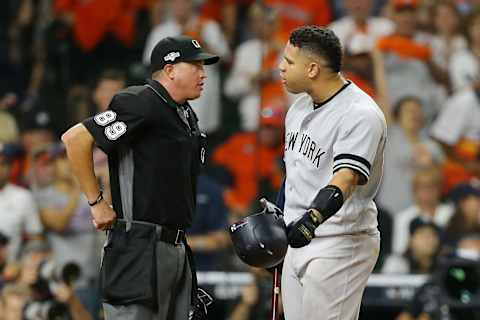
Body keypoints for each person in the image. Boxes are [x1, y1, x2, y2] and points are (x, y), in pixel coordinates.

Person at [61, 35, 219, 320]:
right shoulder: (141, 101)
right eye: (195, 66)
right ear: (170, 69)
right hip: (138, 245)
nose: (203, 73)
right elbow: (75, 140)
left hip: (176, 247)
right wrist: (96, 202)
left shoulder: (185, 114)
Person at [277, 26, 387, 320]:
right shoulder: (298, 108)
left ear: (312, 69)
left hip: (341, 239)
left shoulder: (360, 113)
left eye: (289, 61)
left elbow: (346, 178)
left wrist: (311, 219)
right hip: (298, 238)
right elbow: (293, 172)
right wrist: (278, 221)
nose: (281, 67)